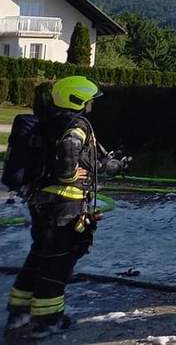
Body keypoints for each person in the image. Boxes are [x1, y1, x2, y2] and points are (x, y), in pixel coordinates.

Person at [5, 76, 122, 339]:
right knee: (59, 260)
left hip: (41, 200)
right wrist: (70, 175)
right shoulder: (76, 125)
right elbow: (68, 154)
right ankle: (48, 320)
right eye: (90, 100)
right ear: (78, 99)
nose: (92, 104)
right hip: (65, 203)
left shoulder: (48, 122)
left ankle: (19, 311)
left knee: (39, 254)